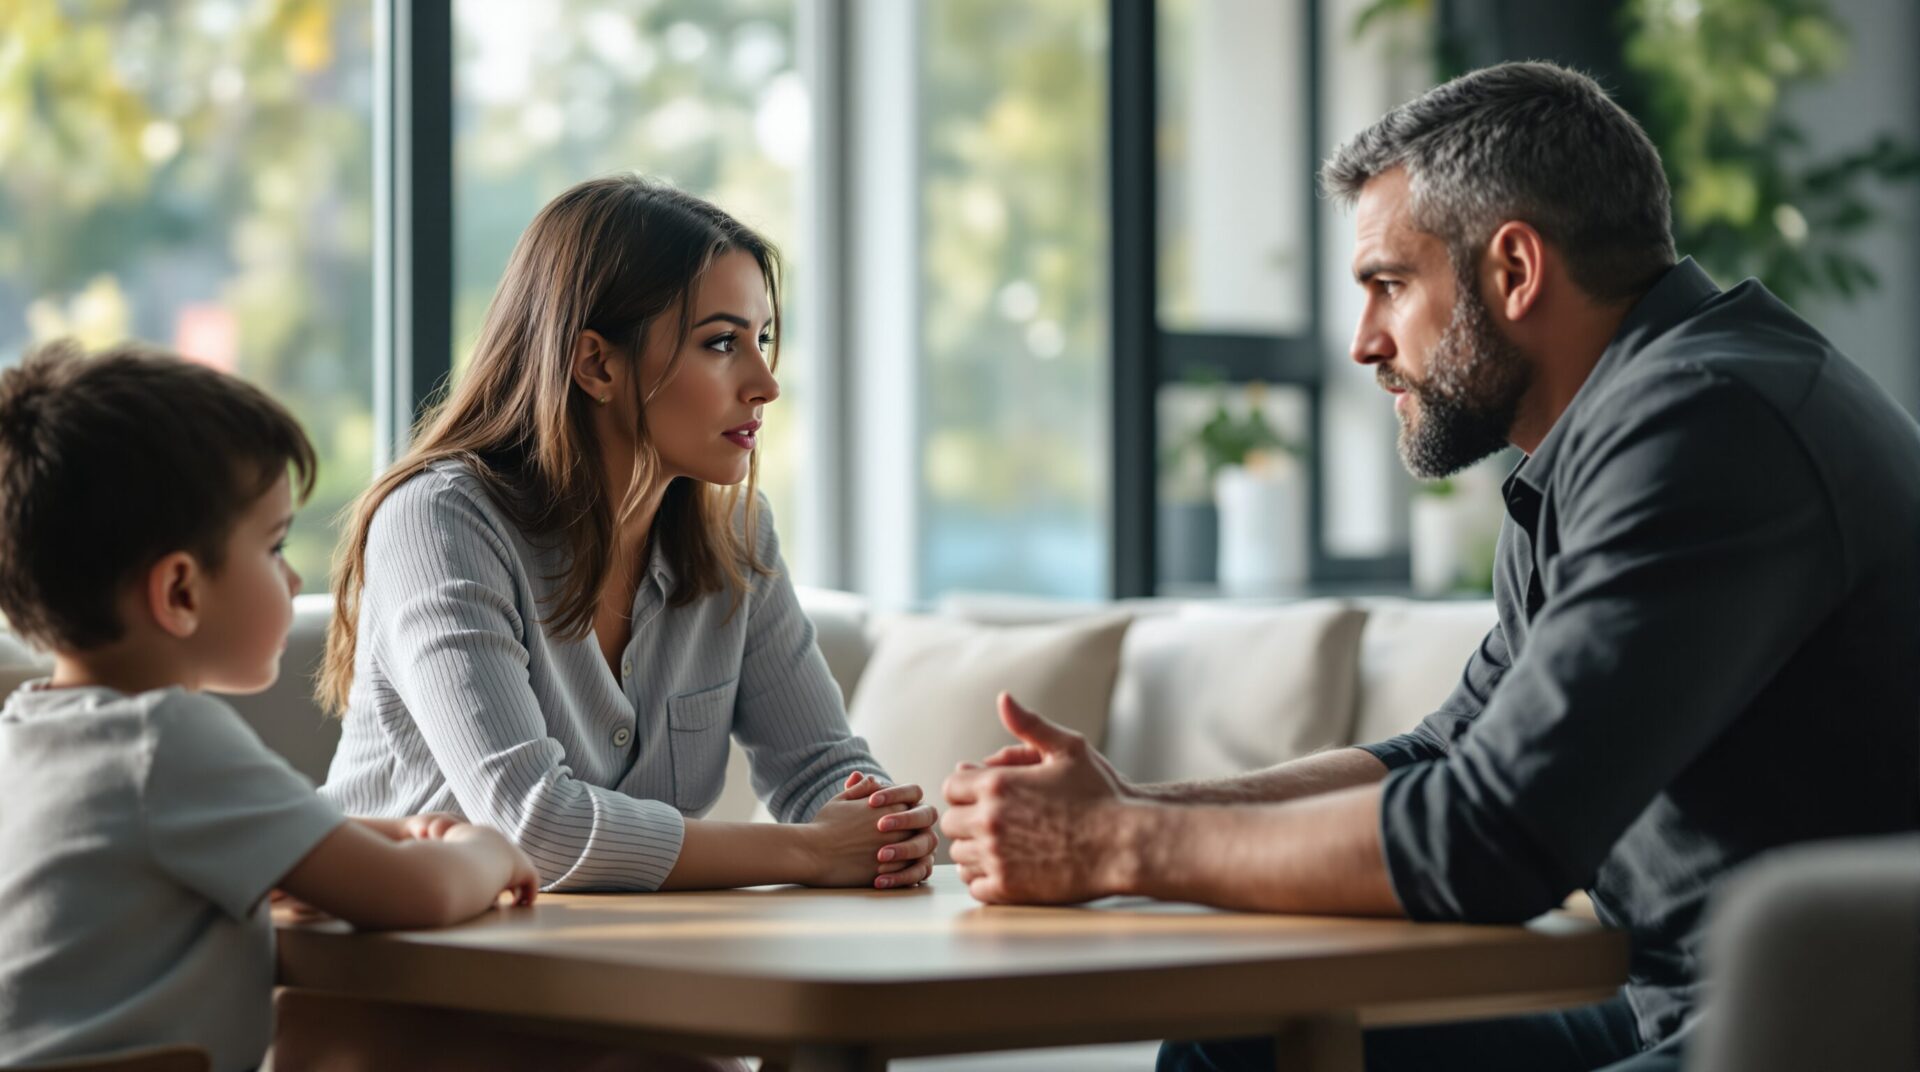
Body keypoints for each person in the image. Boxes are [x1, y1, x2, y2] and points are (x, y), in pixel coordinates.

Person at [940, 61, 1920, 1072]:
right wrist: (1139, 805)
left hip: (1812, 1030)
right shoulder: (1609, 439)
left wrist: (1110, 847)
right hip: (1667, 1002)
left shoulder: (1706, 427)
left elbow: (1490, 843)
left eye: (1389, 285)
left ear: (1515, 270)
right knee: (1242, 1048)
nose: (1363, 341)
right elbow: (1455, 750)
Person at [319, 175, 938, 893]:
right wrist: (812, 852)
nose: (765, 382)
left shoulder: (736, 534)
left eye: (763, 339)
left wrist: (889, 832)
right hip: (403, 962)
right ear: (596, 364)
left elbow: (821, 770)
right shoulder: (440, 521)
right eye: (721, 343)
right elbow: (532, 828)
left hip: (617, 959)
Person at [0, 341, 538, 1072]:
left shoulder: (32, 734)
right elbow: (414, 896)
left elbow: (247, 843)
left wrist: (385, 833)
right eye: (275, 545)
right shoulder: (165, 741)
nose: (290, 579)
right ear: (181, 592)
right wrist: (490, 849)